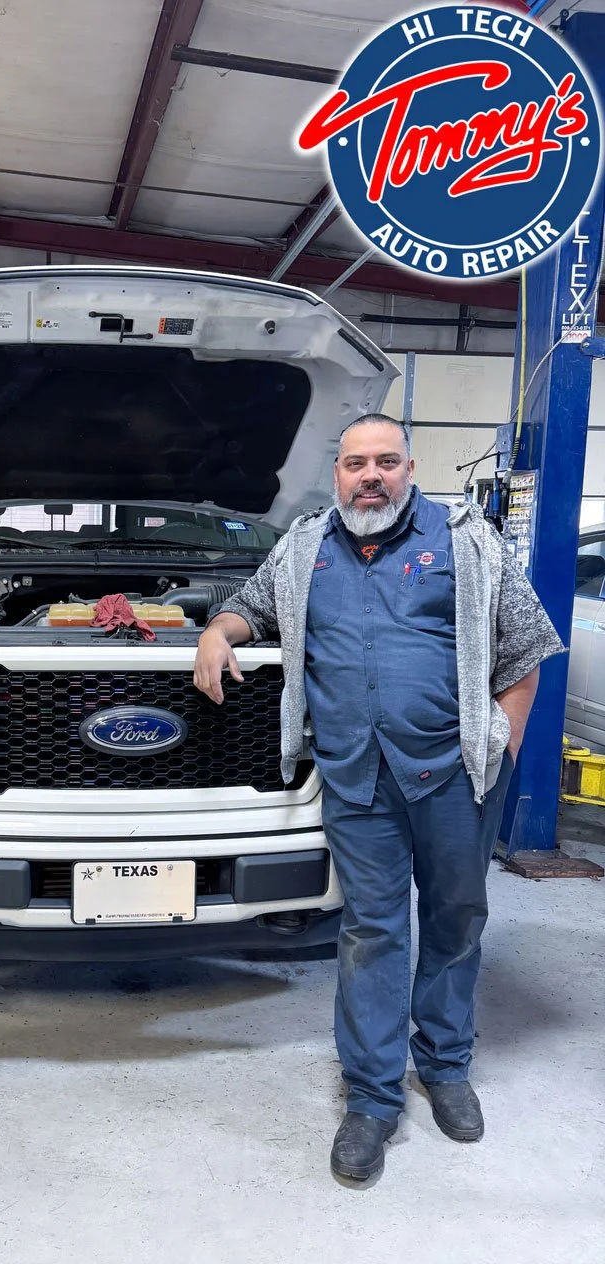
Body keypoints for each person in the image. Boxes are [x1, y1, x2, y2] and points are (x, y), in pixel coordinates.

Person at [193, 414, 563, 1182]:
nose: (372, 476)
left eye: (387, 462)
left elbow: (525, 651)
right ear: (337, 474)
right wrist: (216, 632)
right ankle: (370, 1098)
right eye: (357, 463)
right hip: (356, 776)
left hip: (455, 775)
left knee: (455, 918)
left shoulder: (466, 542)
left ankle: (447, 1065)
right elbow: (249, 603)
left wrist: (500, 744)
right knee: (371, 932)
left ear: (410, 467)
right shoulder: (304, 549)